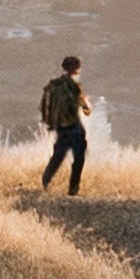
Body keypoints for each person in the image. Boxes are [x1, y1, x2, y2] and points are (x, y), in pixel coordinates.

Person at [37, 56, 93, 195]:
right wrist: (86, 105)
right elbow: (87, 110)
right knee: (79, 158)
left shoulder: (53, 85)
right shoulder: (74, 86)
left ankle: (45, 181)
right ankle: (73, 190)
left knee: (58, 157)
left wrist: (49, 122)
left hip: (61, 128)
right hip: (75, 128)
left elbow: (44, 106)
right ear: (76, 70)